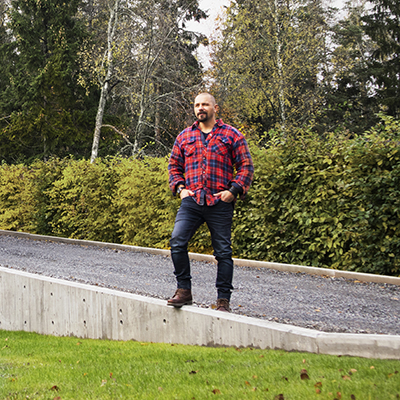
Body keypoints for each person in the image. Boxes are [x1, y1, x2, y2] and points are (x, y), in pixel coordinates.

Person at [167, 92, 254, 312]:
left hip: (219, 201)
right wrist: (180, 189)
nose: (200, 108)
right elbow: (174, 166)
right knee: (177, 241)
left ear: (215, 108)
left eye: (205, 104)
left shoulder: (232, 135)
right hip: (192, 200)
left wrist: (233, 191)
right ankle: (184, 290)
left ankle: (223, 300)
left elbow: (246, 166)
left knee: (223, 251)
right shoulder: (184, 137)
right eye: (197, 105)